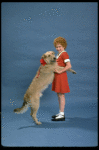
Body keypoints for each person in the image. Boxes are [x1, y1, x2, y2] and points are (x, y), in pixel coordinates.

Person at [52, 37, 71, 121]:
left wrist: (60, 71)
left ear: (64, 46)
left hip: (61, 76)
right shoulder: (59, 54)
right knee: (59, 94)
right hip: (57, 76)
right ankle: (60, 113)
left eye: (60, 46)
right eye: (57, 47)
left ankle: (62, 114)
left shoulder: (64, 54)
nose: (58, 48)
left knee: (61, 95)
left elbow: (69, 66)